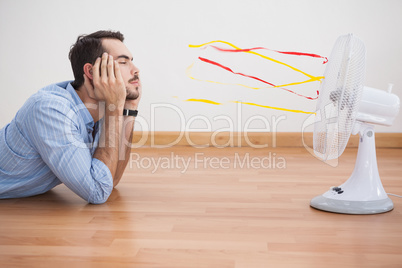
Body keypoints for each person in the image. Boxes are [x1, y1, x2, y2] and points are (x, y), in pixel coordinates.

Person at [0, 30, 141, 204]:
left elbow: (111, 179)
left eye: (132, 62)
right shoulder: (50, 110)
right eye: (123, 62)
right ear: (91, 72)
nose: (136, 70)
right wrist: (115, 107)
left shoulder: (100, 110)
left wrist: (129, 108)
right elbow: (97, 190)